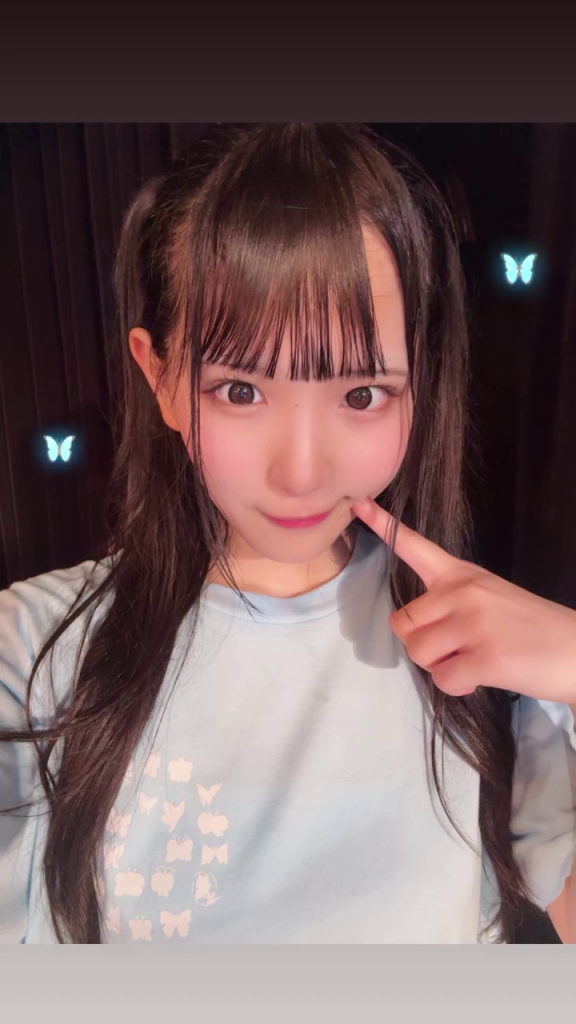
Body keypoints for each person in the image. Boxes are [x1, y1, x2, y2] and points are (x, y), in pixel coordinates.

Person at [0, 123, 575, 945]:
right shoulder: (33, 656)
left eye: (362, 394)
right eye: (240, 390)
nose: (302, 472)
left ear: (420, 384)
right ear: (160, 378)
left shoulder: (501, 663)